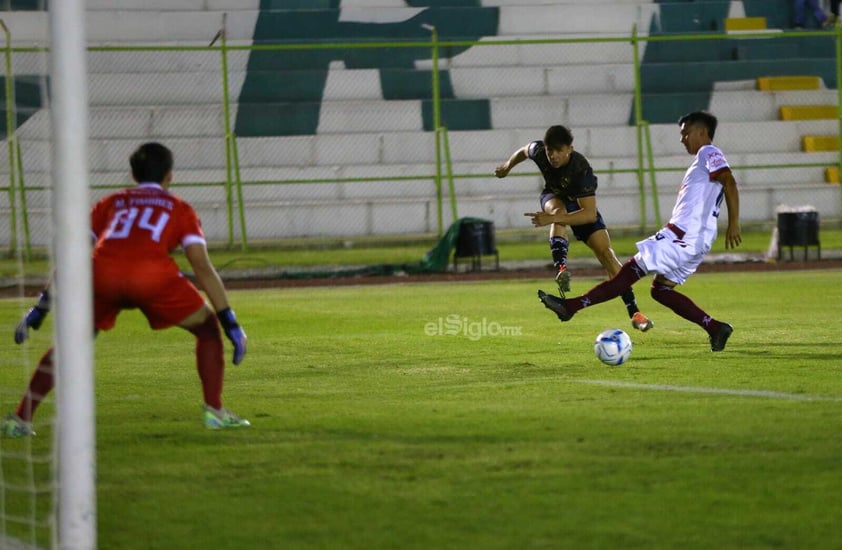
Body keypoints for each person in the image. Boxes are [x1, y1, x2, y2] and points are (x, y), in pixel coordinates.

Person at [4, 142, 249, 437]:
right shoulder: (180, 209)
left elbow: (73, 256)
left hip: (102, 274)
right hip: (152, 277)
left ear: (133, 176)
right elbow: (202, 267)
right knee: (208, 329)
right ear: (169, 176)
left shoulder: (110, 203)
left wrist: (42, 306)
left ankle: (20, 419)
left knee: (71, 345)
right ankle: (215, 412)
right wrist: (230, 322)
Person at [537, 111, 741, 352]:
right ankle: (716, 328)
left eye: (686, 133)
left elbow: (729, 181)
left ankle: (571, 306)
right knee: (661, 290)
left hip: (683, 235)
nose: (682, 138)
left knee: (629, 271)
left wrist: (734, 223)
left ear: (702, 132)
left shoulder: (709, 152)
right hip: (698, 240)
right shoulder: (701, 161)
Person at [495, 125, 654, 332]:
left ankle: (635, 312)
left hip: (581, 208)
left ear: (570, 148)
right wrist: (507, 166)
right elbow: (525, 150)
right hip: (554, 197)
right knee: (557, 214)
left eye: (558, 150)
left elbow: (588, 214)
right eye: (550, 150)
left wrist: (550, 219)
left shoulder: (581, 169)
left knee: (606, 254)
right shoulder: (540, 152)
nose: (553, 155)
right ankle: (561, 269)